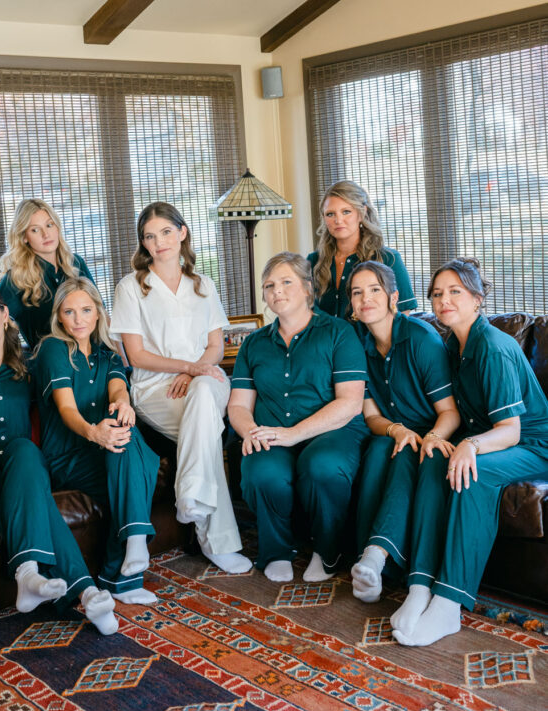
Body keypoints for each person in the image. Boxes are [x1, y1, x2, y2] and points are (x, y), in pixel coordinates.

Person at [0, 281, 118, 634]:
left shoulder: (29, 365)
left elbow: (68, 396)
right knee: (35, 487)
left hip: (24, 466)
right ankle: (84, 589)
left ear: (5, 315)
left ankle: (36, 578)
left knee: (25, 451)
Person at [391, 258, 548, 647]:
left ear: (478, 298)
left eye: (455, 292)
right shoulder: (453, 345)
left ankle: (448, 604)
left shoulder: (494, 347)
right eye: (438, 294)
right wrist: (438, 438)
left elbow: (510, 430)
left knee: (471, 472)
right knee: (431, 459)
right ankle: (420, 588)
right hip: (494, 439)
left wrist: (470, 445)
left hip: (533, 444)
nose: (444, 300)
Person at [110, 202, 251, 574]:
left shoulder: (202, 283)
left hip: (206, 381)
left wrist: (194, 372)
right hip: (156, 392)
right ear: (143, 244)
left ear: (182, 232)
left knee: (204, 396)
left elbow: (216, 346)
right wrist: (188, 368)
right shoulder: (130, 288)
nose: (159, 243)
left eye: (166, 233)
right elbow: (136, 355)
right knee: (202, 428)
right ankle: (215, 541)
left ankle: (191, 493)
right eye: (150, 237)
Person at [228, 252, 369, 582]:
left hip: (332, 430)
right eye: (269, 286)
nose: (277, 291)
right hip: (271, 430)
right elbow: (237, 405)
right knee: (262, 470)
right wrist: (250, 431)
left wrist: (294, 434)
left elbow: (350, 403)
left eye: (286, 282)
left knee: (321, 467)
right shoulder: (253, 344)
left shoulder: (339, 333)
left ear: (307, 288)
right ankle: (276, 551)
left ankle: (327, 549)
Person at [34, 277, 159, 605]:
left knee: (125, 438)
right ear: (59, 316)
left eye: (86, 310)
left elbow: (118, 388)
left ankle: (130, 554)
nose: (78, 319)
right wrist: (94, 432)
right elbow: (66, 408)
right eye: (69, 311)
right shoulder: (54, 349)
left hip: (104, 446)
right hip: (69, 453)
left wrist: (123, 404)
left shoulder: (108, 353)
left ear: (98, 313)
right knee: (137, 465)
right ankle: (125, 571)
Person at [346, 262, 459, 602]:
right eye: (357, 292)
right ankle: (370, 560)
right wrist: (396, 430)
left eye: (375, 290)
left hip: (437, 430)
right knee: (382, 448)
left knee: (408, 450)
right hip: (395, 432)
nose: (365, 298)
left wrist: (431, 438)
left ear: (393, 296)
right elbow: (371, 416)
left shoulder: (421, 339)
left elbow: (450, 412)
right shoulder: (356, 345)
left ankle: (375, 557)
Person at [0, 198, 97, 350]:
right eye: (35, 230)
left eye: (49, 225)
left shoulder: (76, 263)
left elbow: (100, 313)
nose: (46, 234)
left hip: (96, 356)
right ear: (24, 237)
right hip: (52, 364)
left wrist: (120, 357)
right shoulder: (16, 279)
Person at [308, 180, 416, 318]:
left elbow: (402, 314)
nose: (338, 220)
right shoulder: (313, 261)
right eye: (330, 214)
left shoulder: (388, 258)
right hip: (323, 339)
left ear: (362, 212)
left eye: (346, 212)